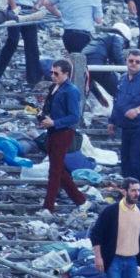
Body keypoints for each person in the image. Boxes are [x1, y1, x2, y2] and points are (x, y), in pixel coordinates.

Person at [40, 59, 89, 213]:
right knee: (59, 170)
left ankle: (49, 206)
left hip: (63, 133)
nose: (53, 76)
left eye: (56, 73)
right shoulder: (55, 87)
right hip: (53, 132)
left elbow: (75, 116)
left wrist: (54, 122)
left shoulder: (71, 91)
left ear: (66, 74)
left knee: (55, 171)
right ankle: (80, 200)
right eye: (52, 73)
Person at [108, 49, 140, 183]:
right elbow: (117, 101)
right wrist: (112, 121)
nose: (133, 64)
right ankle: (128, 195)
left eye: (137, 62)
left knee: (139, 163)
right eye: (131, 61)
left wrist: (138, 110)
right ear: (126, 61)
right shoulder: (122, 79)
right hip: (125, 128)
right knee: (125, 162)